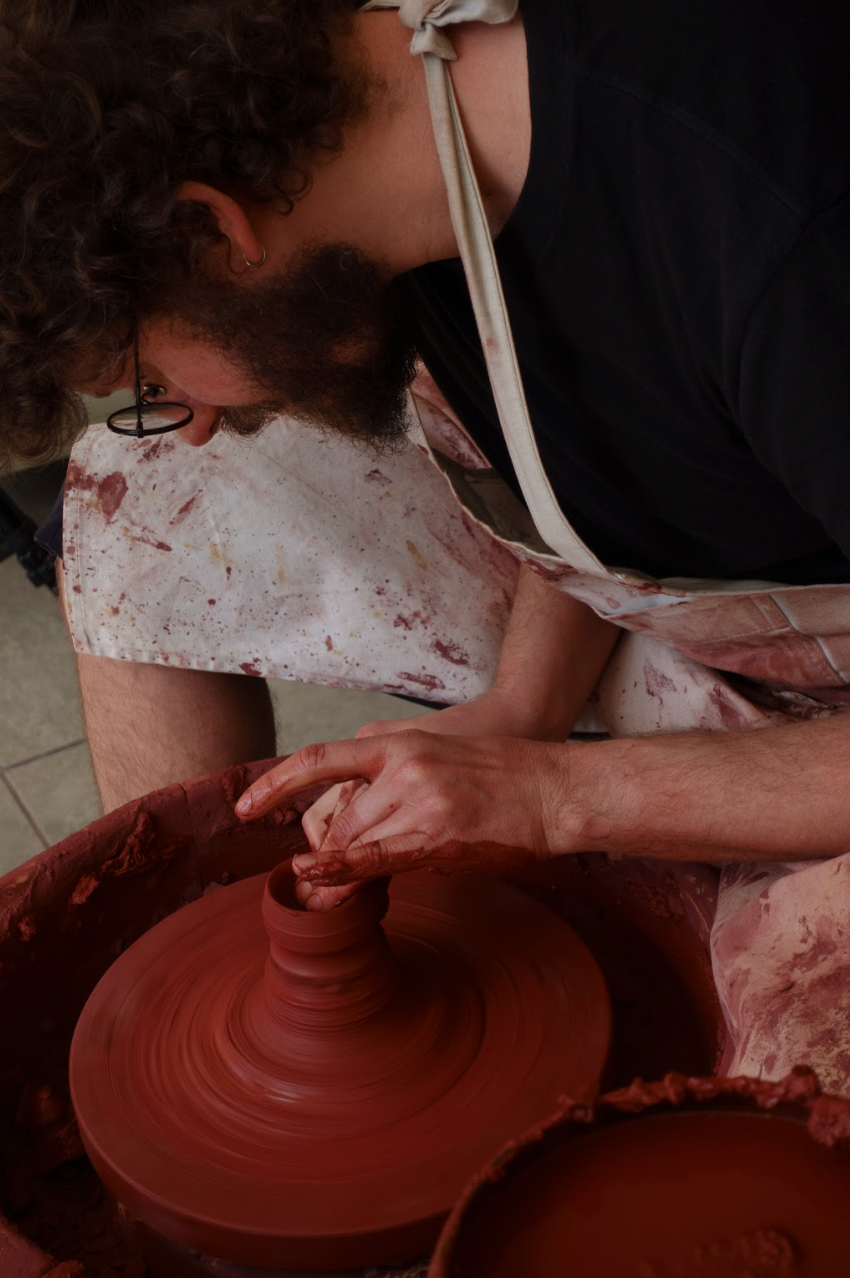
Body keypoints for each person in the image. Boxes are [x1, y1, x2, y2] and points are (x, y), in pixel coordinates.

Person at [3, 0, 850, 1088]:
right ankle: (208, 960)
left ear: (213, 230)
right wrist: (514, 715)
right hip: (690, 589)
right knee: (144, 494)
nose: (192, 413)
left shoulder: (781, 232)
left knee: (787, 1070)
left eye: (153, 379)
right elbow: (578, 439)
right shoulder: (405, 115)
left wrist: (550, 795)